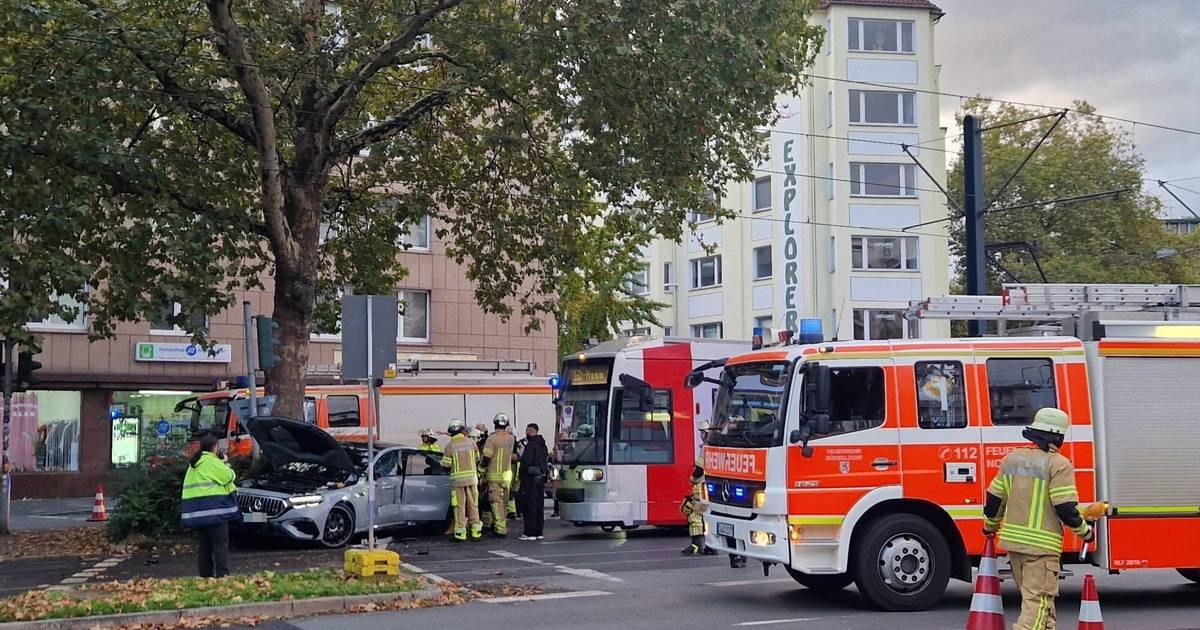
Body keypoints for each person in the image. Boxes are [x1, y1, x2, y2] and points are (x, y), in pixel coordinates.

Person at [983, 407, 1093, 630]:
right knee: (1037, 604)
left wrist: (989, 527)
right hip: (1042, 549)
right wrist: (1085, 532)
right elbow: (1065, 509)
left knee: (1041, 606)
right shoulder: (1059, 464)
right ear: (1057, 436)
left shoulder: (1012, 459)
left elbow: (994, 500)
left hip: (1015, 548)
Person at [181, 432, 239, 578]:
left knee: (204, 546)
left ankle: (205, 576)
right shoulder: (212, 462)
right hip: (215, 512)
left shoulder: (194, 464)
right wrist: (224, 462)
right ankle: (222, 575)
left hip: (198, 514)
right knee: (220, 545)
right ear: (214, 447)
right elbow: (229, 476)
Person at [441, 419, 483, 542]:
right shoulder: (471, 442)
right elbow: (477, 459)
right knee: (473, 505)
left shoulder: (450, 446)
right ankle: (476, 532)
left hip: (458, 481)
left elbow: (446, 466)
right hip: (472, 479)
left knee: (459, 506)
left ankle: (460, 533)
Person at [682, 421, 717, 555]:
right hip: (711, 488)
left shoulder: (706, 447)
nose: (701, 435)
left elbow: (699, 468)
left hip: (701, 489)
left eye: (703, 432)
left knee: (695, 516)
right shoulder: (717, 446)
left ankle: (696, 546)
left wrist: (692, 479)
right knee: (708, 518)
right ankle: (711, 546)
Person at [479, 413, 516, 537]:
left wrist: (481, 470)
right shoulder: (511, 438)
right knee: (504, 501)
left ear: (495, 424)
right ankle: (498, 523)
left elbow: (487, 457)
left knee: (495, 501)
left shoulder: (492, 439)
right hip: (507, 475)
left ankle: (500, 528)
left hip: (494, 475)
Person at [517, 423, 549, 541]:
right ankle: (538, 531)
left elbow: (525, 462)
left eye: (527, 430)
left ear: (530, 430)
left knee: (529, 506)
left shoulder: (531, 445)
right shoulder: (543, 445)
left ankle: (529, 532)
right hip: (540, 478)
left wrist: (521, 474)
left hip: (529, 479)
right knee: (539, 505)